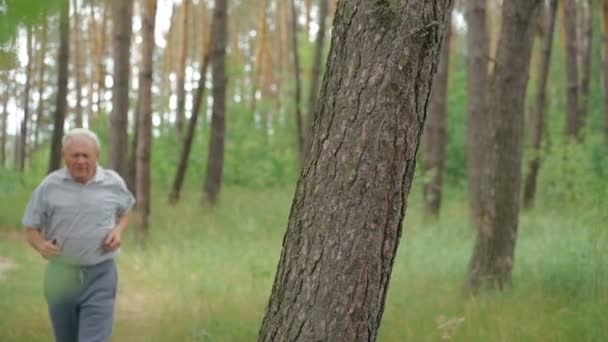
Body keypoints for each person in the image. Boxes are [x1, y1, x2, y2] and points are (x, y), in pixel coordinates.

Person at [22, 128, 135, 342]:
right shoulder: (49, 186)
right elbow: (30, 228)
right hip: (61, 276)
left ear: (96, 157)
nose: (81, 161)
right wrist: (41, 245)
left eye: (86, 155)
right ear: (65, 156)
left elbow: (126, 210)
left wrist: (118, 230)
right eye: (75, 155)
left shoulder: (113, 183)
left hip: (101, 274)